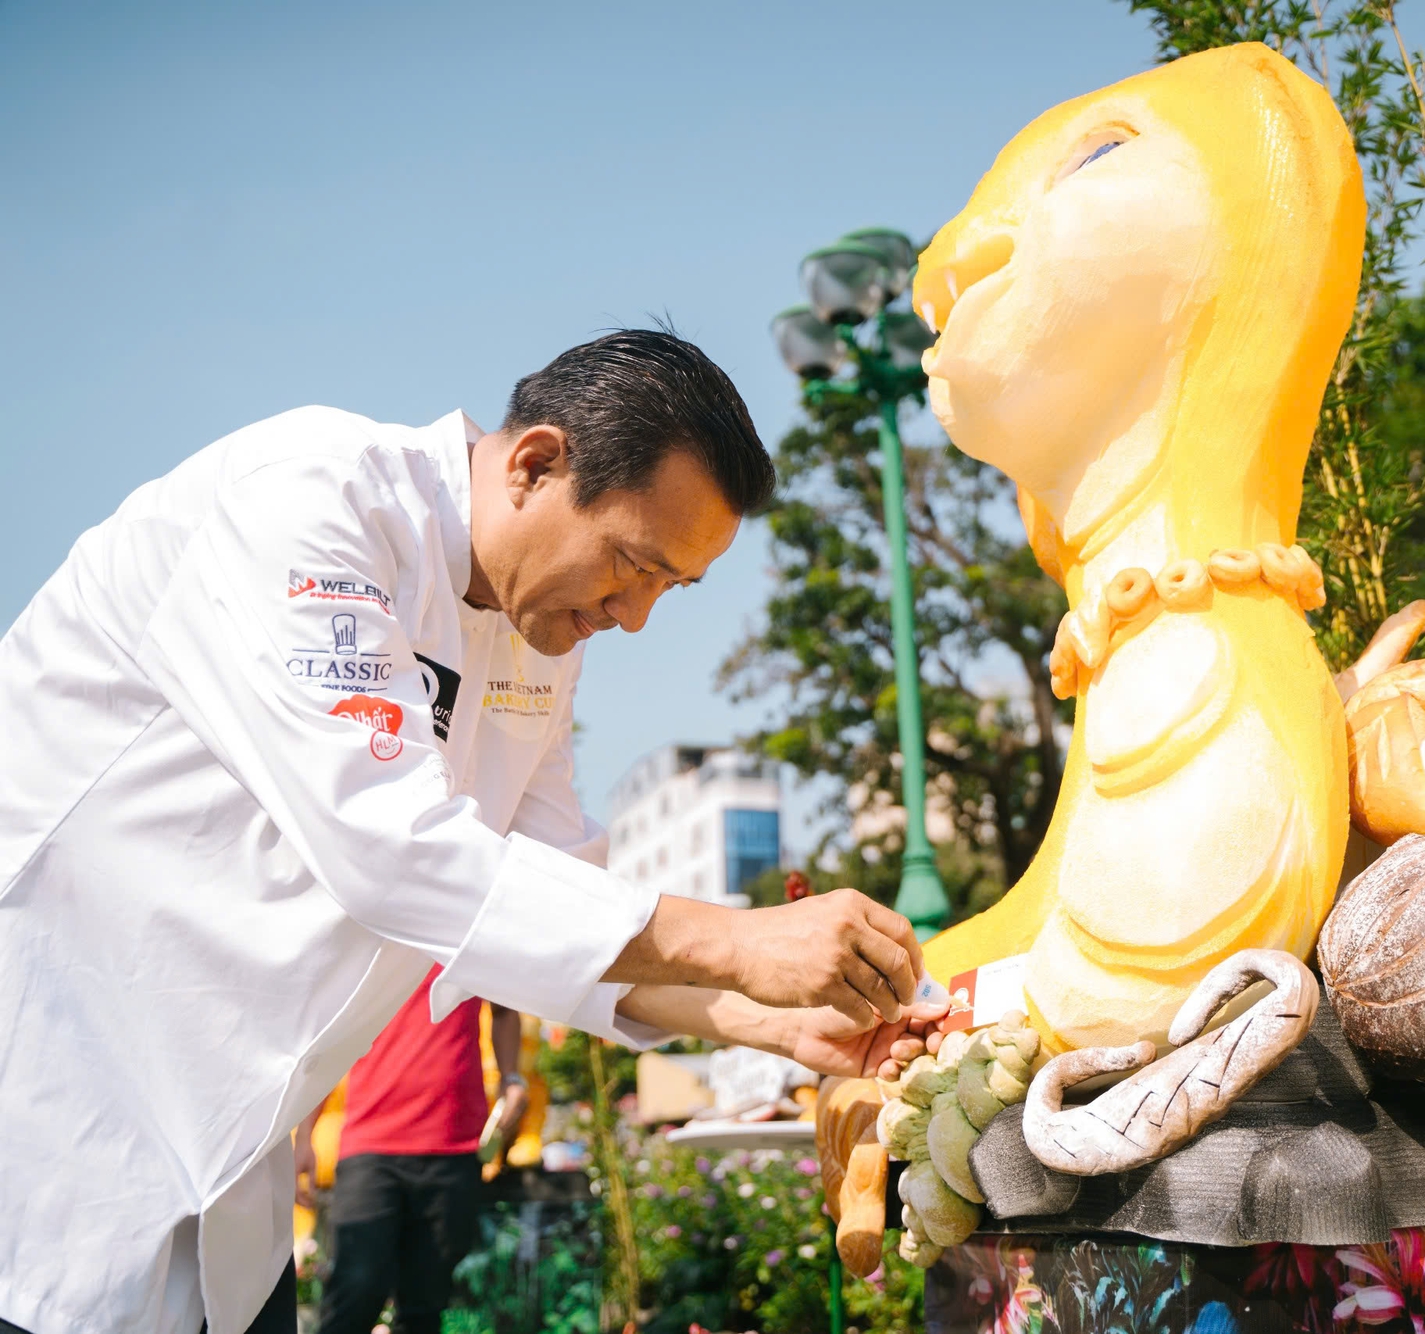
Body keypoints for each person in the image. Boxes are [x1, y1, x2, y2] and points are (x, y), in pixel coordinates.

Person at [0, 330, 939, 1334]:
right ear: (534, 464)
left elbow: (558, 915)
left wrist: (777, 1023)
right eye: (631, 563)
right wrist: (741, 941)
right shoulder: (314, 501)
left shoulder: (540, 642)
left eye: (670, 586)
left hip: (227, 1182)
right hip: (55, 1131)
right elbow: (392, 851)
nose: (634, 617)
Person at [296, 968, 526, 1334]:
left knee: (424, 1307)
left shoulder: (467, 942)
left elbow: (504, 1009)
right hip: (371, 1148)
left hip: (454, 1147)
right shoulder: (371, 943)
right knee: (355, 1293)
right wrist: (304, 1135)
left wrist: (511, 1076)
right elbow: (329, 1039)